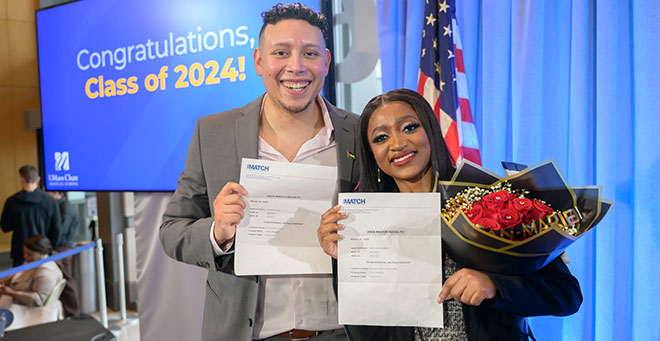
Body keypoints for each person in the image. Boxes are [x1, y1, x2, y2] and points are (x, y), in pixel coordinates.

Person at [159, 3, 359, 340]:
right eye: (281, 52)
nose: (295, 67)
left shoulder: (359, 131)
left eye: (309, 53)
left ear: (325, 62)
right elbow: (171, 231)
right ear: (259, 61)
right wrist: (218, 231)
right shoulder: (213, 133)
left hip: (343, 333)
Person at [317, 89, 582, 341]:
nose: (397, 143)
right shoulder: (364, 221)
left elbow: (566, 295)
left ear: (430, 131)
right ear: (371, 154)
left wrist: (494, 286)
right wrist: (347, 261)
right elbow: (367, 331)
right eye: (381, 137)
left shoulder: (487, 200)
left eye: (409, 127)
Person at [1, 165, 61, 267]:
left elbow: (5, 227)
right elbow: (57, 229)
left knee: (20, 281)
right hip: (42, 252)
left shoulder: (12, 202)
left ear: (21, 179)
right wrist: (50, 248)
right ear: (38, 179)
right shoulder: (50, 201)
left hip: (21, 253)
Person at [0, 235, 64, 307]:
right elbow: (18, 274)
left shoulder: (46, 272)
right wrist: (6, 281)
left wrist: (11, 293)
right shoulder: (33, 261)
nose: (25, 256)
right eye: (24, 253)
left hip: (26, 311)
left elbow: (39, 300)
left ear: (41, 253)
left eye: (29, 254)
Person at [46, 191, 80, 317]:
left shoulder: (65, 207)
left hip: (63, 248)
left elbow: (61, 231)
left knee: (67, 280)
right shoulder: (59, 205)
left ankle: (73, 313)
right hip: (61, 247)